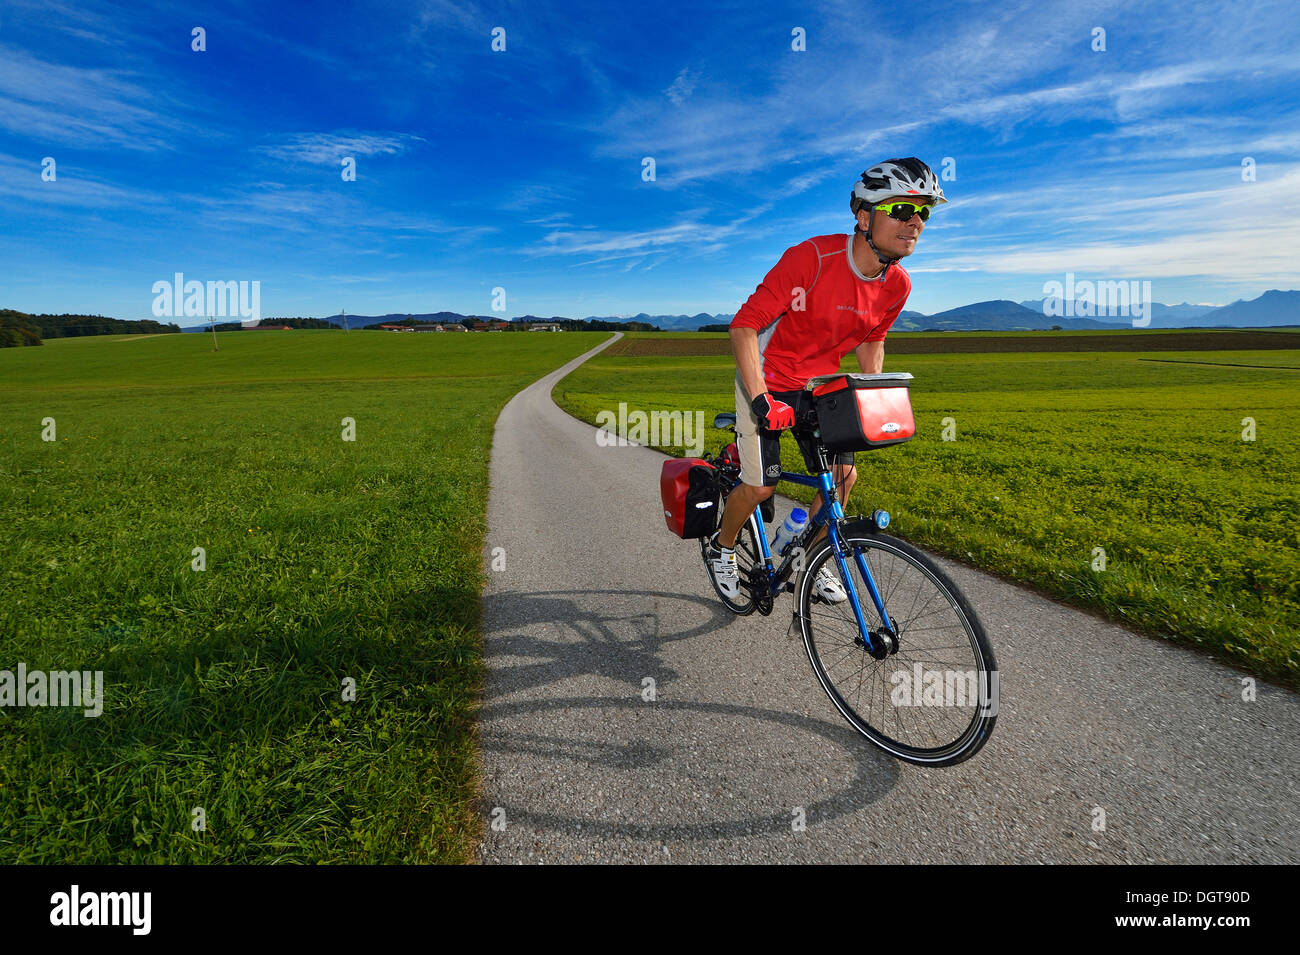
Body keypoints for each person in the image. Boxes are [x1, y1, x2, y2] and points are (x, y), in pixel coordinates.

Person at [706, 157, 946, 603]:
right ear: (863, 216)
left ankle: (809, 565)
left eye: (923, 213)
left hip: (818, 386)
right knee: (760, 485)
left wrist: (874, 396)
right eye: (901, 210)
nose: (914, 222)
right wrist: (761, 399)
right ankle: (722, 548)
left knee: (843, 476)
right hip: (766, 376)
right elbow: (744, 327)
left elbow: (872, 341)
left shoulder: (898, 286)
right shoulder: (812, 258)